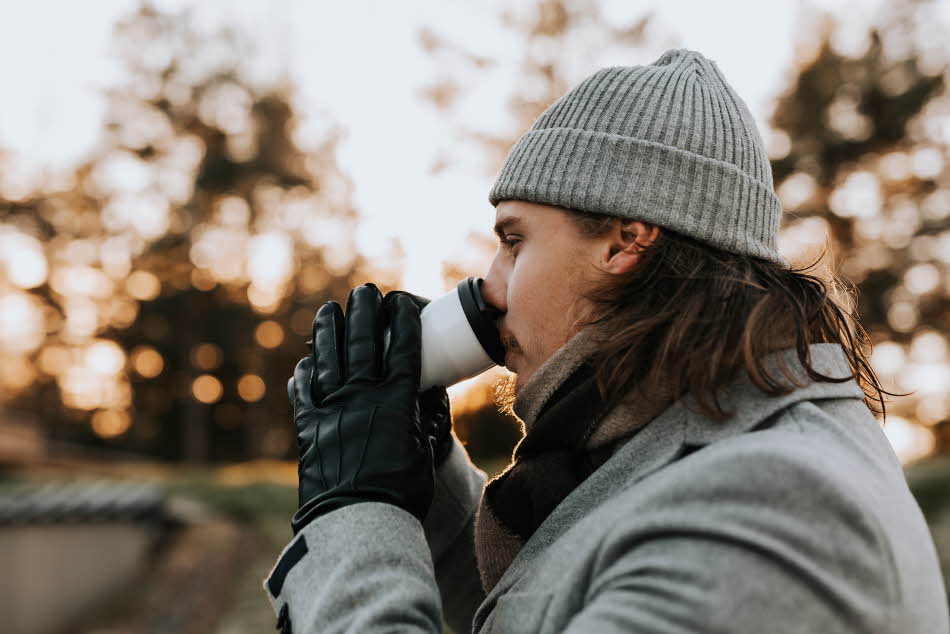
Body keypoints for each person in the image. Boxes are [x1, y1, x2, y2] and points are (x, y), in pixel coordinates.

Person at [262, 48, 949, 633]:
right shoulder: (696, 444)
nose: (491, 288)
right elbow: (544, 605)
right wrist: (419, 465)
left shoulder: (771, 505)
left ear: (624, 242)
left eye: (513, 241)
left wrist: (355, 506)